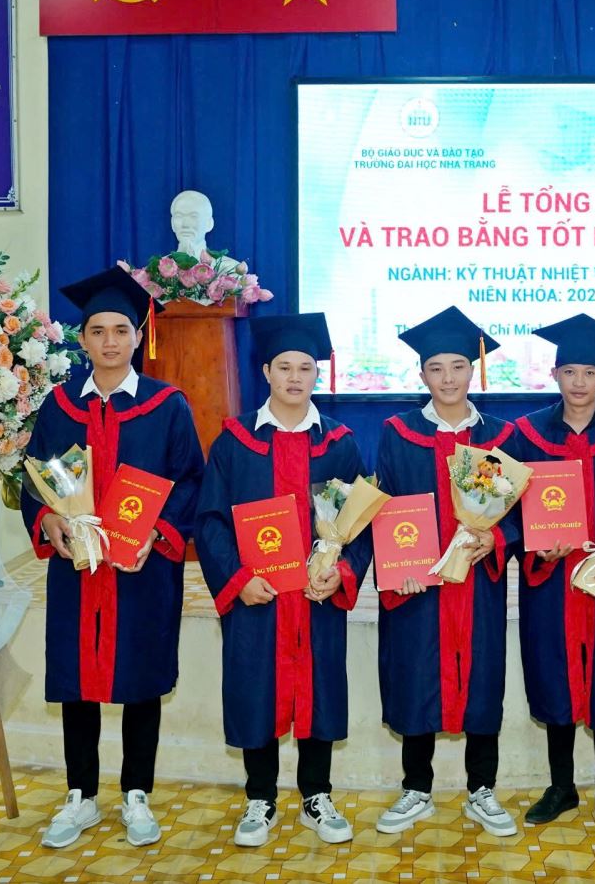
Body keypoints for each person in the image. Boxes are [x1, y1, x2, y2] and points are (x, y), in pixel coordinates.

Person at [21, 266, 204, 849]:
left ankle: (136, 793)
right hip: (77, 568)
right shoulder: (58, 406)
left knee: (140, 676)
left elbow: (190, 481)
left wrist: (159, 535)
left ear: (138, 336)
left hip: (141, 569)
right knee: (77, 679)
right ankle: (80, 795)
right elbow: (35, 479)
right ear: (82, 340)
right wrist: (48, 521)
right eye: (97, 331)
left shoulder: (166, 405)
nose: (109, 341)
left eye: (121, 330)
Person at [191, 313, 370, 848]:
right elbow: (211, 521)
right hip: (259, 596)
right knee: (256, 685)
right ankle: (260, 798)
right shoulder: (235, 442)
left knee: (319, 687)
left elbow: (359, 522)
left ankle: (317, 795)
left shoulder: (339, 443)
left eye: (306, 368)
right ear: (266, 371)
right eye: (285, 367)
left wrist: (339, 573)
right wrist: (238, 579)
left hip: (315, 596)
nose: (295, 377)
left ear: (317, 374)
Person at [371, 307, 519, 838]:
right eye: (436, 368)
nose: (449, 378)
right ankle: (416, 788)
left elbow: (519, 512)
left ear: (473, 371)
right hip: (420, 587)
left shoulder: (501, 435)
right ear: (422, 374)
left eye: (458, 366)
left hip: (478, 582)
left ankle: (482, 789)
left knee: (482, 677)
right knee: (417, 675)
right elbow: (384, 506)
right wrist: (397, 568)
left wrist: (496, 539)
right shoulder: (397, 433)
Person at [506, 314, 595, 831]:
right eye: (570, 372)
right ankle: (561, 786)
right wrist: (535, 550)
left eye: (590, 372)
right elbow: (508, 509)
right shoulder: (525, 434)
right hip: (550, 582)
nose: (579, 383)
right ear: (555, 375)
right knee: (554, 678)